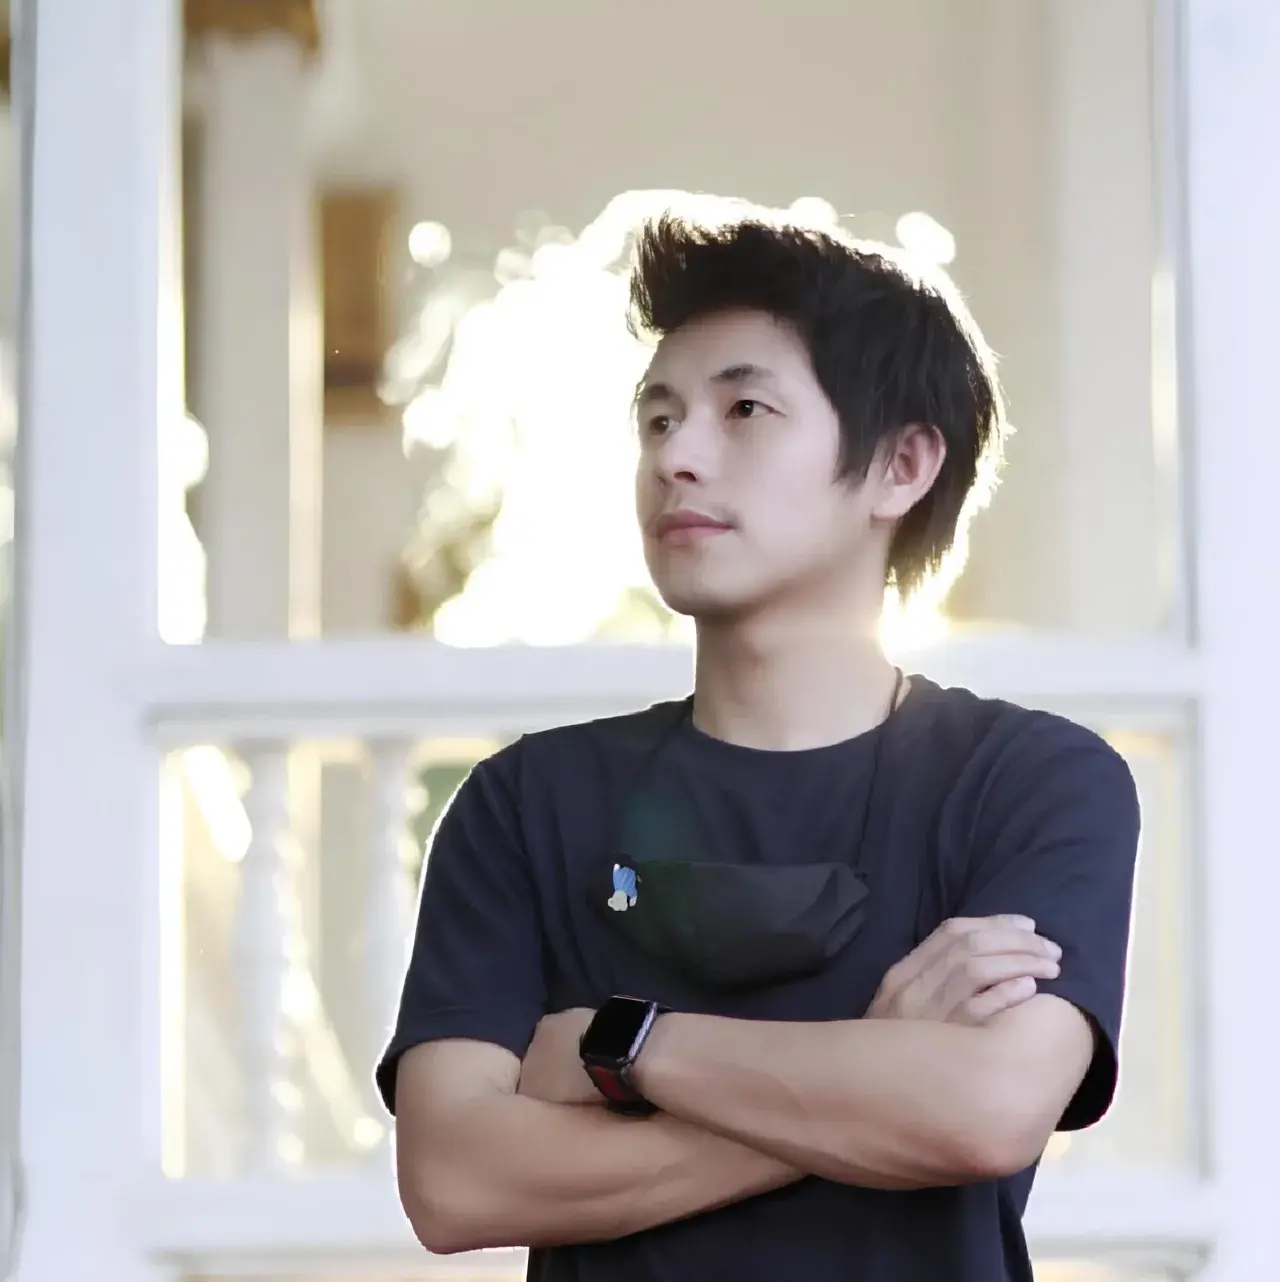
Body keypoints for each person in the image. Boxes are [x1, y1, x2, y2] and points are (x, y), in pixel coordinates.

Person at [376, 210, 1141, 1282]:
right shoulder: (525, 803)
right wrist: (878, 1061)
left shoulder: (1033, 784)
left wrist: (618, 1045)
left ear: (901, 464)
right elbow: (455, 1183)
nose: (676, 457)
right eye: (657, 419)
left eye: (744, 410)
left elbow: (988, 1111)